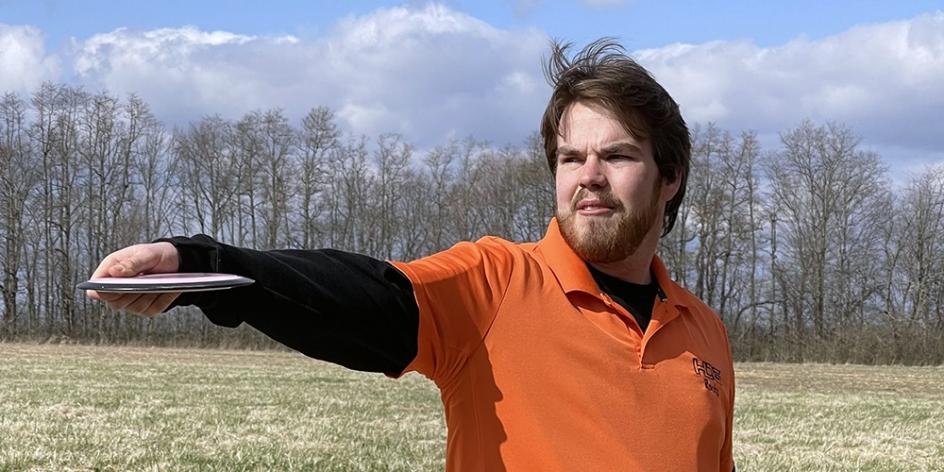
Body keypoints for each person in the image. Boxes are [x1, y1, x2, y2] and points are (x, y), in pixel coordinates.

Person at [87, 39, 735, 471]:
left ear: (669, 175)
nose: (588, 176)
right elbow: (368, 299)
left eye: (616, 155)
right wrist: (205, 265)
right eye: (570, 158)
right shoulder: (500, 283)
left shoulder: (705, 333)